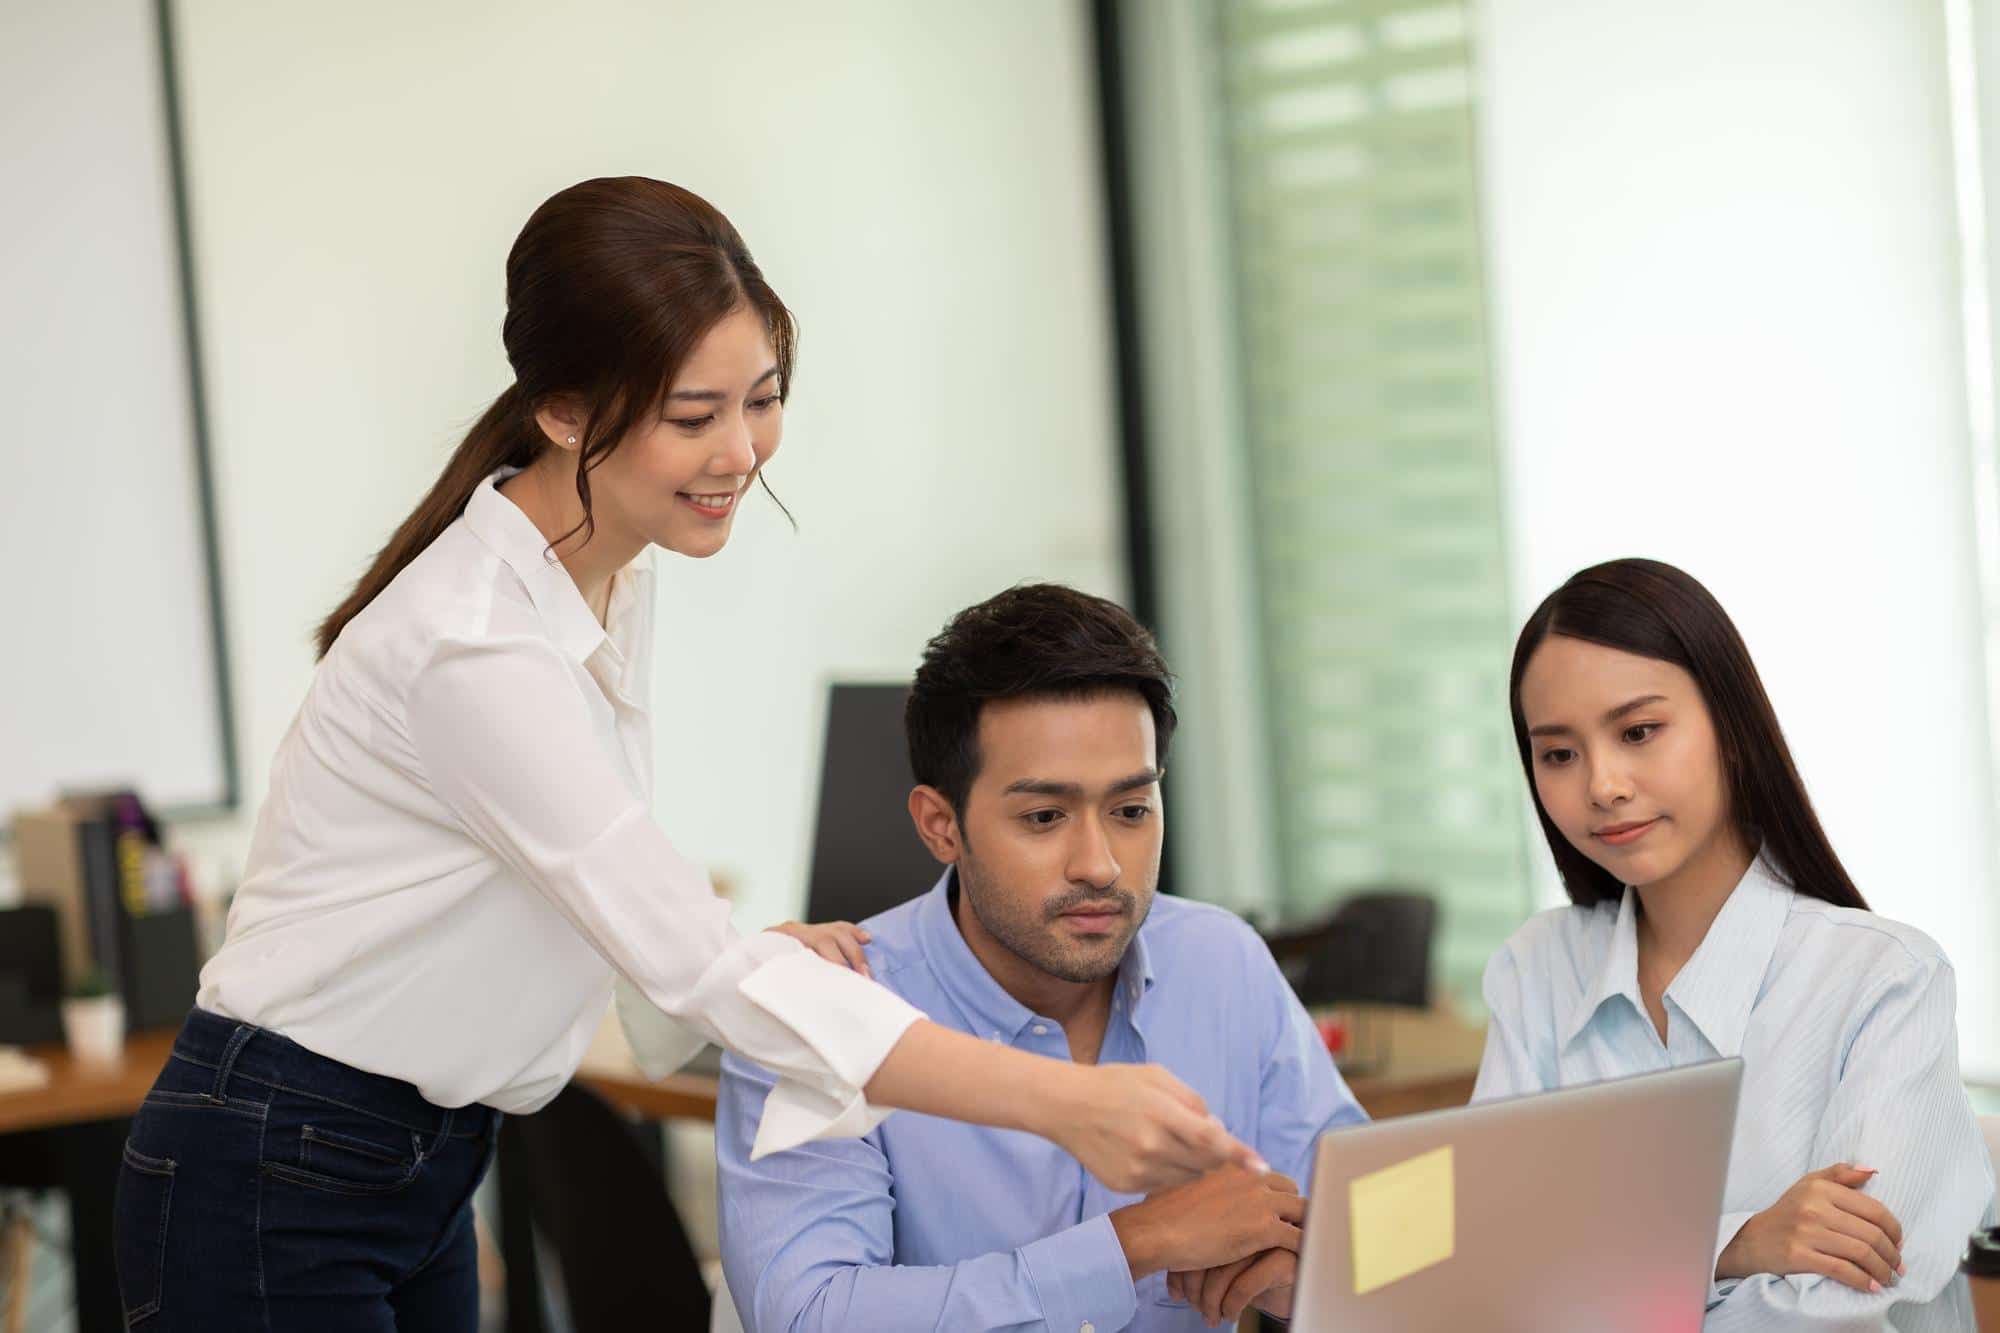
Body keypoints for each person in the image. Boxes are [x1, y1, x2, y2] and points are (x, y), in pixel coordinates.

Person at [109, 178, 1254, 1332]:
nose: (741, 452)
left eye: (760, 401)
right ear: (563, 411)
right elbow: (681, 956)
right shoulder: (473, 646)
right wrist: (1066, 1102)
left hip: (412, 1160)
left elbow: (589, 903)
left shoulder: (605, 575)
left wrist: (732, 964)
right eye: (691, 416)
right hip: (277, 1157)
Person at [710, 584, 1365, 1332]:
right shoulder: (826, 1006)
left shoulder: (1222, 961)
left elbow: (1364, 1227)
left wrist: (1311, 1278)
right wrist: (1138, 1243)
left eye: (1130, 811)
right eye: (1045, 816)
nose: (1100, 865)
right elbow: (813, 1316)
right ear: (940, 825)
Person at [1476, 557, 1995, 1330]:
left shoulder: (1887, 981)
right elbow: (1490, 1272)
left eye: (1639, 731)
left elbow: (1831, 1315)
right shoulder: (1536, 970)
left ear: (1731, 725)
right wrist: (1737, 1245)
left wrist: (1592, 1272)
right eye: (1559, 753)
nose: (1603, 784)